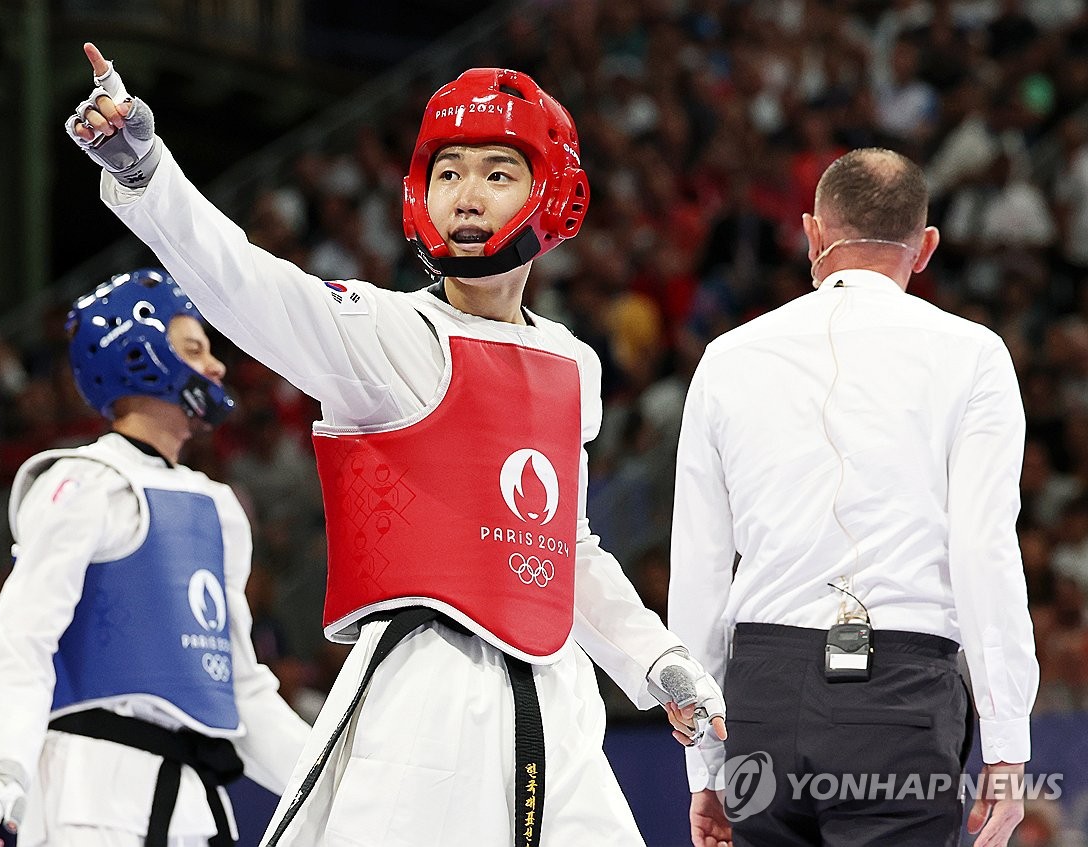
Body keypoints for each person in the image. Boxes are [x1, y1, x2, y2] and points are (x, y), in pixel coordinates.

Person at [64, 43, 727, 847]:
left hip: (559, 699)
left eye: (496, 171)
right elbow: (246, 283)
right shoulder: (387, 332)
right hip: (424, 696)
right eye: (448, 173)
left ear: (551, 194)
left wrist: (657, 661)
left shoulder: (573, 365)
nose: (467, 195)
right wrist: (147, 175)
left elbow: (561, 547)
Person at [668, 147, 1040, 847]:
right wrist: (1008, 740)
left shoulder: (728, 358)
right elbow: (984, 551)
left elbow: (699, 567)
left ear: (812, 233)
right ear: (924, 247)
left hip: (761, 697)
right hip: (898, 698)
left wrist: (704, 765)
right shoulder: (973, 355)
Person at [0, 268, 311, 847]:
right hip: (86, 796)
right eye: (195, 348)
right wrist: (1, 772)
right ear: (142, 356)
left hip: (196, 807)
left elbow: (240, 691)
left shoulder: (218, 508)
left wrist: (345, 782)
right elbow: (23, 641)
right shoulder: (84, 484)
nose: (217, 367)